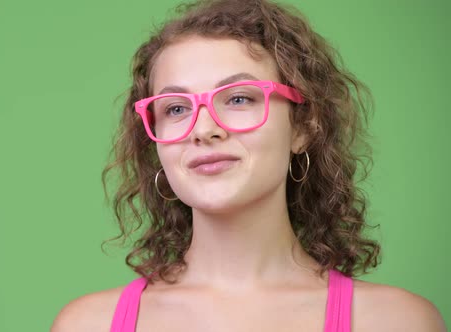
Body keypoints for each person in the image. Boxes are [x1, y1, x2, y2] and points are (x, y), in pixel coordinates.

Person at [51, 0, 446, 331]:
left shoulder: (397, 322)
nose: (203, 130)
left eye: (239, 98)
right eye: (175, 108)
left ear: (303, 127)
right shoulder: (87, 324)